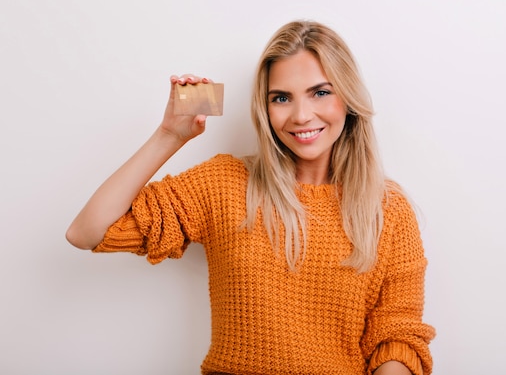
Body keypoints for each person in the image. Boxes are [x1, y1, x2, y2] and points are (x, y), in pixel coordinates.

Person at [66, 20, 436, 375]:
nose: (301, 115)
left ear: (348, 99)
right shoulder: (226, 183)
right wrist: (170, 135)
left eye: (321, 92)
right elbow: (86, 232)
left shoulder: (387, 208)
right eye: (281, 98)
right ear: (265, 107)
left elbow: (397, 337)